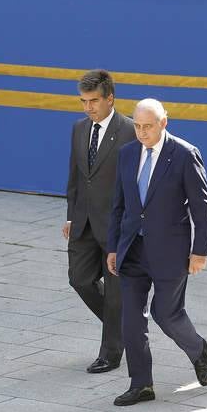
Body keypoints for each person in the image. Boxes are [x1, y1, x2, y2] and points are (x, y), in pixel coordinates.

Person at [107, 98, 207, 406]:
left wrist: (199, 251)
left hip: (170, 251)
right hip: (132, 249)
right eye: (137, 126)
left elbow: (202, 207)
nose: (141, 133)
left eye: (148, 127)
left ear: (163, 123)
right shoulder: (127, 154)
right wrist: (113, 247)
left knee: (165, 313)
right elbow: (119, 205)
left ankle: (198, 349)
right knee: (131, 320)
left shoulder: (183, 154)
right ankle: (141, 384)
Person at [64, 70, 136, 374]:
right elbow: (76, 177)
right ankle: (123, 325)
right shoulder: (79, 129)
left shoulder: (131, 131)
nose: (88, 107)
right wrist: (70, 215)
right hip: (82, 221)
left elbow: (135, 185)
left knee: (117, 291)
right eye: (83, 101)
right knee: (79, 280)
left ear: (110, 99)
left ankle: (111, 352)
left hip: (116, 225)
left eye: (93, 101)